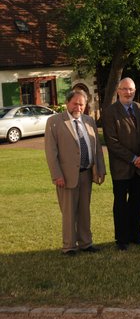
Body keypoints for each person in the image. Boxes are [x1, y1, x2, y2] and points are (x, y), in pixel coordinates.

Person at [44, 89, 106, 255]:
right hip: (66, 176)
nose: (78, 107)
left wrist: (100, 169)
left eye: (82, 104)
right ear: (67, 103)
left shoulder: (89, 121)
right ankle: (69, 246)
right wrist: (57, 175)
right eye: (75, 103)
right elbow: (51, 152)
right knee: (69, 213)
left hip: (87, 174)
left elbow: (97, 149)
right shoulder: (54, 122)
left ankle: (86, 243)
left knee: (85, 210)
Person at [102, 77, 140, 250]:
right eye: (125, 89)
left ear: (134, 91)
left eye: (131, 89)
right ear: (118, 91)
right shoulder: (109, 112)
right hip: (122, 167)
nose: (128, 92)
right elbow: (112, 142)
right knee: (121, 204)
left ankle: (136, 235)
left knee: (138, 203)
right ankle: (121, 239)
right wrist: (132, 158)